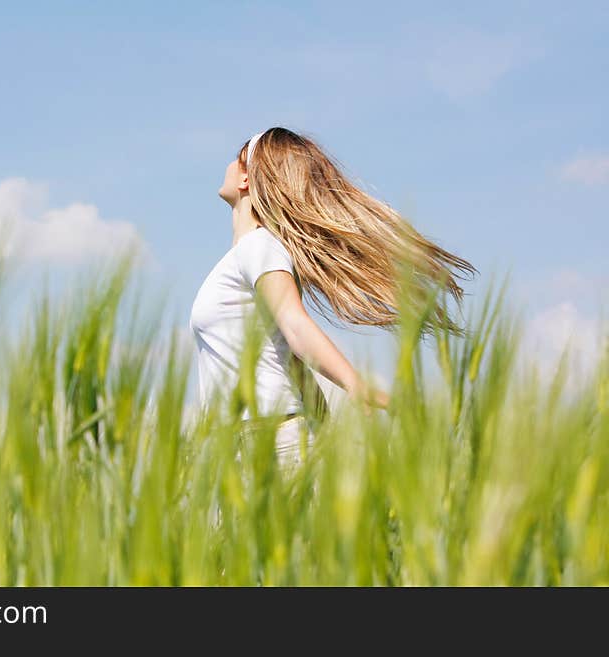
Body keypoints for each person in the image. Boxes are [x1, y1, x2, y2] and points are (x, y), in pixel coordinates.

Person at [189, 126, 476, 469]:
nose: (227, 164)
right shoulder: (248, 256)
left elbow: (294, 323)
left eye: (236, 159)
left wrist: (357, 387)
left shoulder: (259, 246)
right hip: (241, 443)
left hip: (265, 440)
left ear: (246, 179)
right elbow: (291, 359)